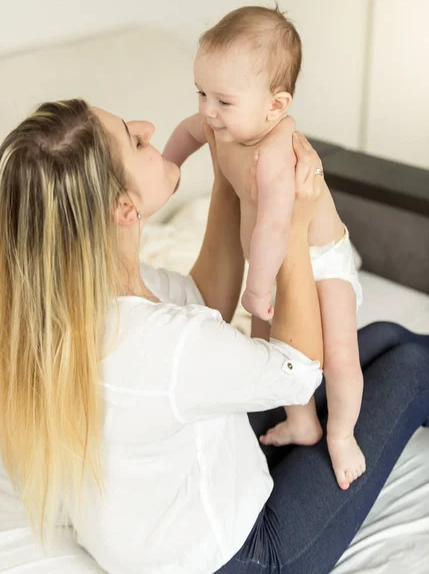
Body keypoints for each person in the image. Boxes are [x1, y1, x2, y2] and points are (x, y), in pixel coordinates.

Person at [0, 99, 428, 574]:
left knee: (385, 337)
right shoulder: (159, 345)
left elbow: (204, 300)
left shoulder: (78, 300)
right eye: (135, 139)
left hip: (169, 521)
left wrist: (226, 173)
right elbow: (298, 371)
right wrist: (293, 221)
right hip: (245, 557)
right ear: (125, 208)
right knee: (409, 368)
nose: (148, 126)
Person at [164, 5, 364, 490]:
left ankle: (341, 432)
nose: (208, 111)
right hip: (270, 265)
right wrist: (168, 168)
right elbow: (188, 134)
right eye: (201, 93)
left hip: (320, 260)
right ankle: (302, 421)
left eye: (223, 101)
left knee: (339, 354)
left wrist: (257, 290)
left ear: (275, 107)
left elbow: (277, 226)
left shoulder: (277, 150)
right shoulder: (221, 127)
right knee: (273, 352)